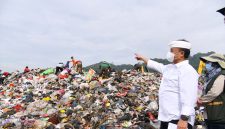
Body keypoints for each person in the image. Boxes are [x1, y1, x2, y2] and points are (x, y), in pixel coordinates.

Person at [135, 39, 199, 129]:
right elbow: (157, 66)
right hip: (166, 117)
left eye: (172, 51)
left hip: (178, 119)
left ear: (181, 53)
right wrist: (143, 58)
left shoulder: (187, 71)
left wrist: (184, 119)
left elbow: (189, 97)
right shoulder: (169, 68)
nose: (170, 53)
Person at [197, 53, 225, 129]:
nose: (206, 64)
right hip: (212, 115)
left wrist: (201, 100)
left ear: (216, 64)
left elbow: (214, 92)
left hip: (219, 118)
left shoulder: (222, 75)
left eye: (209, 62)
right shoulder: (210, 77)